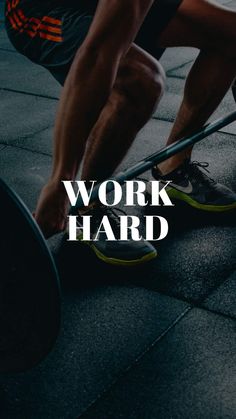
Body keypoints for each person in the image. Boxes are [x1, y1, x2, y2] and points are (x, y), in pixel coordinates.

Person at [5, 0, 236, 265]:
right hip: (42, 9)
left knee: (230, 34)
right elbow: (98, 56)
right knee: (141, 81)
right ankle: (88, 207)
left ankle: (173, 167)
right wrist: (60, 182)